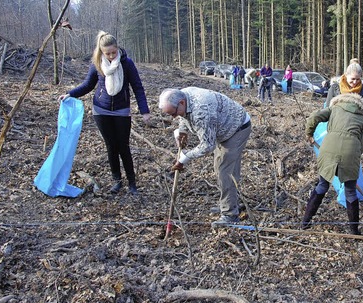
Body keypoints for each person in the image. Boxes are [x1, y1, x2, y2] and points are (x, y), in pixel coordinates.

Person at [59, 31, 150, 196]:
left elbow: (137, 87)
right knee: (111, 146)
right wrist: (70, 94)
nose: (110, 56)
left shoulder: (127, 63)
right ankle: (117, 181)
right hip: (101, 110)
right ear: (101, 52)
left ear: (118, 49)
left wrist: (144, 111)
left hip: (122, 110)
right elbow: (88, 85)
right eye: (107, 53)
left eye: (113, 52)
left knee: (124, 146)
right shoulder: (97, 64)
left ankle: (132, 183)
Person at [158, 87, 252, 227]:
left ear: (182, 103)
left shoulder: (201, 110)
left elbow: (208, 146)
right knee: (221, 168)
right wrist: (182, 131)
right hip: (224, 128)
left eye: (173, 113)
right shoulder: (182, 95)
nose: (173, 117)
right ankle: (229, 203)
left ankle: (230, 215)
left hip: (237, 128)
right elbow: (184, 116)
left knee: (225, 172)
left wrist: (184, 158)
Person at [302, 72, 363, 235]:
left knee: (322, 185)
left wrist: (309, 134)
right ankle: (354, 231)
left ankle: (305, 223)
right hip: (351, 151)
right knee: (350, 191)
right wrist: (353, 156)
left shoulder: (334, 108)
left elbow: (314, 117)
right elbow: (361, 146)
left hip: (328, 148)